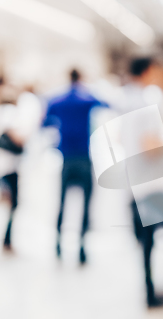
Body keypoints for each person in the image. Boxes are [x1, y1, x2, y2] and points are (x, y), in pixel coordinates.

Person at [120, 58, 163, 307]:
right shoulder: (146, 103)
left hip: (135, 182)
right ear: (148, 71)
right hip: (154, 185)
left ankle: (148, 292)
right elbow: (150, 147)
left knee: (146, 241)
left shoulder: (125, 100)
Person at [43, 69, 108, 265]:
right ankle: (81, 246)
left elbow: (45, 121)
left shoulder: (57, 99)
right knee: (85, 204)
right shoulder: (86, 98)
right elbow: (106, 103)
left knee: (62, 203)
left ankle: (58, 243)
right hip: (83, 157)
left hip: (66, 158)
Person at [0, 77, 41, 253]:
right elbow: (18, 137)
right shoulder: (8, 112)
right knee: (13, 204)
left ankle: (7, 238)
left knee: (11, 203)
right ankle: (7, 239)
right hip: (9, 165)